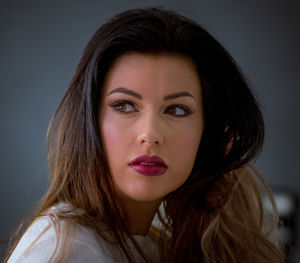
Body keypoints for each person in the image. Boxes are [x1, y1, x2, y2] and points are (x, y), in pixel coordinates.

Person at [5, 7, 283, 263]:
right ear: (87, 121)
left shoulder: (156, 244)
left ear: (208, 132)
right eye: (124, 106)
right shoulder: (66, 248)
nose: (149, 135)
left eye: (176, 110)